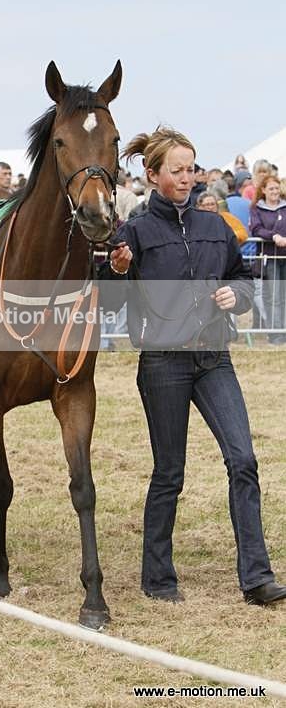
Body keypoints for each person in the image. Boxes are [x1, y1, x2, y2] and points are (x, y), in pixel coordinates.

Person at [101, 126, 286, 607]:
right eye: (178, 170)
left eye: (192, 168)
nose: (188, 177)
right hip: (162, 362)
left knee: (243, 460)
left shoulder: (215, 225)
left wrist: (237, 295)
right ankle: (158, 578)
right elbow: (106, 302)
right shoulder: (135, 231)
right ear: (153, 173)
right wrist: (117, 269)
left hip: (214, 358)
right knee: (170, 472)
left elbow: (242, 281)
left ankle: (257, 577)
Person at [249, 174, 286, 344]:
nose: (274, 192)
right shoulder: (257, 209)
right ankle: (276, 334)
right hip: (269, 256)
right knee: (273, 296)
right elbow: (256, 229)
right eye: (271, 188)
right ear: (263, 190)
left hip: (284, 255)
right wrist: (274, 236)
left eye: (277, 188)